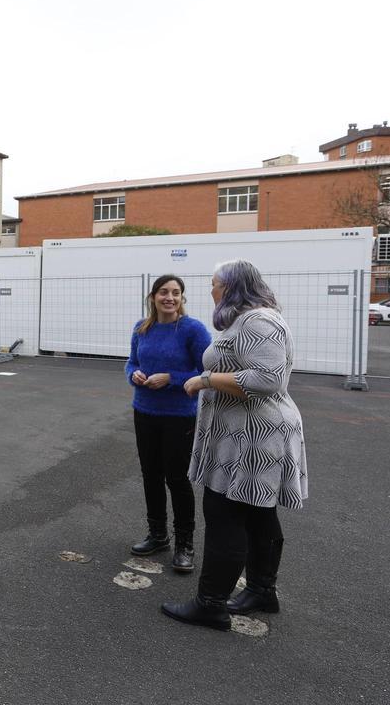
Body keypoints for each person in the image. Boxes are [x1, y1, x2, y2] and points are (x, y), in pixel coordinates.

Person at [162, 259, 308, 631]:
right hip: (245, 433)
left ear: (230, 287)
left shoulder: (258, 321)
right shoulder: (249, 319)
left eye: (214, 283)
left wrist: (206, 379)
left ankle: (211, 604)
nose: (211, 290)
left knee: (225, 513)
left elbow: (268, 379)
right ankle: (261, 590)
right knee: (257, 513)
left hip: (253, 436)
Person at [125, 275, 211, 574]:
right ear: (153, 297)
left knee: (177, 479)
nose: (169, 298)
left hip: (179, 415)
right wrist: (134, 374)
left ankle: (185, 543)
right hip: (144, 411)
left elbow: (207, 372)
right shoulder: (142, 328)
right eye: (164, 292)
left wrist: (171, 379)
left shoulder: (192, 329)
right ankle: (158, 534)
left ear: (182, 298)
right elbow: (132, 362)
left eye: (176, 293)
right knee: (151, 475)